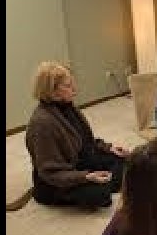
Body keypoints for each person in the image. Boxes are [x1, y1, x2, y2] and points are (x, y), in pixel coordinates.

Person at [25, 61, 129, 209]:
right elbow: (50, 172)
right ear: (52, 91)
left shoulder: (68, 106)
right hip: (55, 182)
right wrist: (85, 176)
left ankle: (106, 180)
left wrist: (109, 148)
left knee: (125, 161)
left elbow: (85, 141)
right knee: (101, 195)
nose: (75, 89)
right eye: (68, 86)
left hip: (77, 162)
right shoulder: (42, 124)